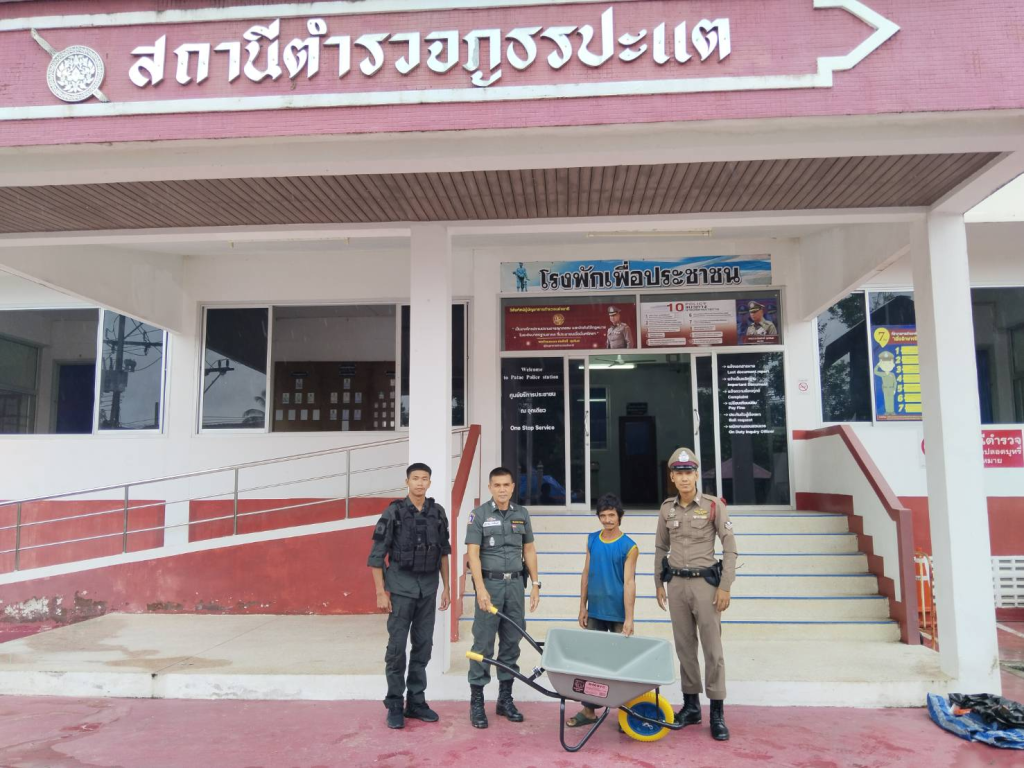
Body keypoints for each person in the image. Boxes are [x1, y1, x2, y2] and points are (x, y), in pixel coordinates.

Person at [655, 447, 737, 741]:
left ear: (696, 475)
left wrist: (725, 585)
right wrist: (658, 583)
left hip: (706, 586)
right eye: (679, 473)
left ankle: (717, 712)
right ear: (672, 477)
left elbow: (729, 547)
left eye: (689, 472)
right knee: (684, 647)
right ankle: (691, 706)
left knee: (712, 649)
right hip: (677, 585)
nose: (684, 478)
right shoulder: (667, 508)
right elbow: (661, 547)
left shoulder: (714, 506)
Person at [367, 463, 451, 730]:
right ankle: (394, 703)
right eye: (415, 478)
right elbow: (376, 557)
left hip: (428, 589)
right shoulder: (393, 512)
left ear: (429, 483)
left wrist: (447, 587)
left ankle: (416, 701)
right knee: (396, 649)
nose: (419, 483)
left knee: (423, 645)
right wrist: (381, 592)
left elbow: (444, 553)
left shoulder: (438, 513)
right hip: (401, 590)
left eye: (424, 479)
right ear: (407, 482)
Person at [466, 467, 541, 729]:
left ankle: (504, 699)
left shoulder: (522, 514)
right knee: (483, 643)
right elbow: (473, 554)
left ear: (512, 487)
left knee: (512, 642)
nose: (502, 489)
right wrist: (480, 588)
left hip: (515, 586)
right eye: (497, 485)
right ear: (490, 488)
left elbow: (529, 549)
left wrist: (535, 584)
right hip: (491, 585)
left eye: (506, 485)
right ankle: (477, 703)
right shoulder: (479, 515)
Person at [566, 493, 638, 728]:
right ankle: (589, 711)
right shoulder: (591, 540)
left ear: (620, 516)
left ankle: (627, 714)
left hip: (618, 613)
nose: (607, 520)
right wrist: (582, 607)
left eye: (611, 515)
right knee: (591, 662)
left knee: (622, 663)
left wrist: (629, 618)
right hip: (595, 610)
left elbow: (629, 583)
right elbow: (586, 573)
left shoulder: (629, 546)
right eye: (603, 515)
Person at [874, 350, 898, 414]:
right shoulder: (882, 374)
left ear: (893, 364)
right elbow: (875, 372)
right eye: (884, 364)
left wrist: (894, 389)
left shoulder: (892, 374)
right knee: (886, 400)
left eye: (889, 363)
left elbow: (895, 382)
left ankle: (892, 411)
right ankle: (887, 412)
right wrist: (878, 365)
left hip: (891, 388)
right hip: (885, 389)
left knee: (891, 400)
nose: (887, 366)